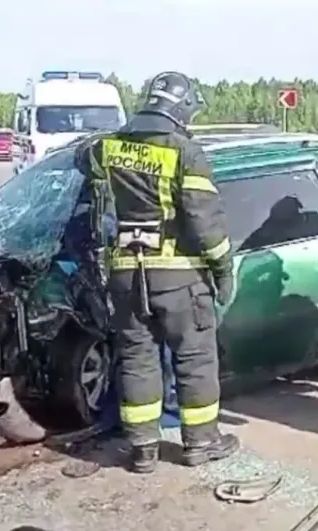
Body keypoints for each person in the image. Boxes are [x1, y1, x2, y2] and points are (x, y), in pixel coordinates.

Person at [73, 71, 238, 473]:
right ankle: (200, 444)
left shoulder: (108, 148)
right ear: (180, 108)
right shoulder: (186, 151)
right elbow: (205, 221)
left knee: (136, 358)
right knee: (195, 359)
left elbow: (82, 159)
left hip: (127, 275)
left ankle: (143, 449)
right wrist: (223, 269)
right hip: (180, 277)